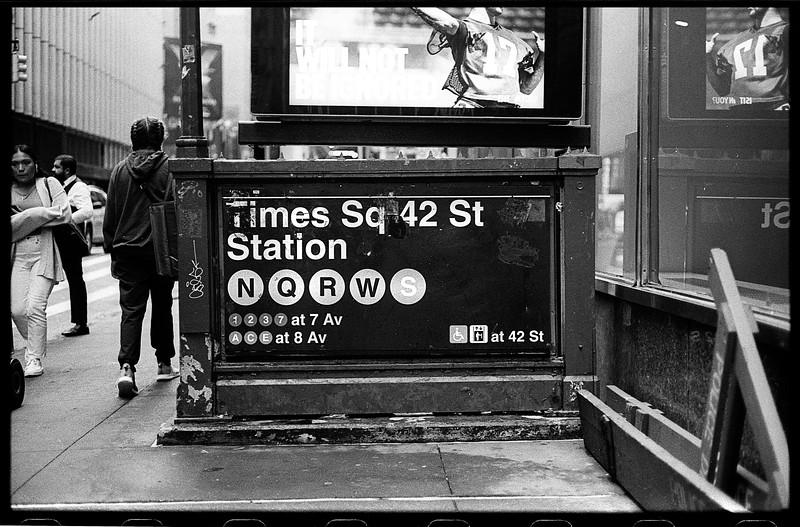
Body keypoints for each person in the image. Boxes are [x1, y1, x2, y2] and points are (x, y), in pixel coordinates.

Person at [103, 117, 179, 398]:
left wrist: (112, 246)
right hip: (159, 249)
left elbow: (111, 214)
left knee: (131, 311)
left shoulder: (120, 170)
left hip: (127, 250)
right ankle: (163, 362)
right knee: (162, 306)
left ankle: (126, 367)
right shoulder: (169, 168)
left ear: (133, 140)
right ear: (160, 139)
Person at [10, 145, 72, 377]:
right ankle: (34, 342)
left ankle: (33, 358)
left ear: (35, 164)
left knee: (35, 306)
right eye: (15, 164)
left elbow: (64, 214)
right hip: (17, 255)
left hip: (43, 251)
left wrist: (23, 219)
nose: (20, 167)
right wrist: (41, 215)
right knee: (16, 310)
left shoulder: (49, 184)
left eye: (25, 162)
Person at [411, 7, 544, 108]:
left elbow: (527, 88)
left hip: (508, 111)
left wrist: (543, 56)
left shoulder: (516, 41)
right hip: (473, 105)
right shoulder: (466, 28)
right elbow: (446, 22)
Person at [706, 7, 789, 112]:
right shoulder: (734, 43)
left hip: (774, 107)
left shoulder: (784, 32)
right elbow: (723, 90)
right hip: (739, 112)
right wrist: (707, 56)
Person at [51, 154, 93, 337]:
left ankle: (81, 323)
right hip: (58, 240)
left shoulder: (79, 187)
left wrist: (66, 220)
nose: (53, 170)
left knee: (75, 280)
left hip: (70, 242)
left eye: (57, 167)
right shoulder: (60, 187)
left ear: (67, 170)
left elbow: (87, 211)